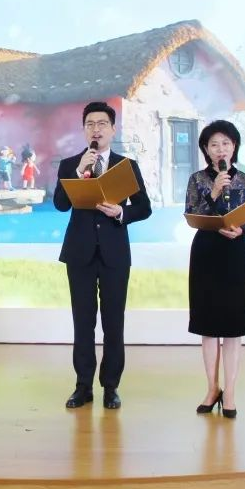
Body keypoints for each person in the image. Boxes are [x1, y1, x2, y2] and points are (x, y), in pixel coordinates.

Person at [53, 101, 152, 410]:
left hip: (114, 254)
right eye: (90, 124)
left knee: (113, 323)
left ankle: (111, 386)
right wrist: (79, 172)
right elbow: (60, 205)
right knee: (82, 322)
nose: (96, 129)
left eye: (102, 124)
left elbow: (144, 207)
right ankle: (83, 386)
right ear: (84, 130)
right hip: (79, 252)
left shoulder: (126, 166)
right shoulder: (70, 164)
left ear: (112, 129)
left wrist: (121, 212)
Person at [185, 120, 245, 419]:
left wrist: (243, 230)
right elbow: (192, 214)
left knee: (232, 326)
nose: (221, 149)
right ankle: (212, 388)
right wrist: (215, 192)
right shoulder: (197, 179)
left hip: (234, 252)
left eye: (226, 143)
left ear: (234, 147)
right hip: (206, 251)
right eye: (214, 144)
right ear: (206, 149)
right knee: (207, 326)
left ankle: (229, 392)